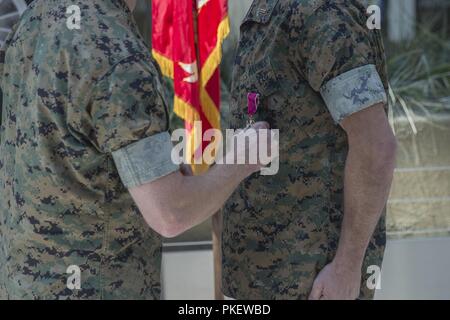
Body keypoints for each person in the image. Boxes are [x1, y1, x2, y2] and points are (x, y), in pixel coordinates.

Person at [0, 0, 269, 299]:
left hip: (23, 282)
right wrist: (241, 160)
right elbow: (170, 214)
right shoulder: (115, 52)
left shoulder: (38, 15)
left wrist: (153, 163)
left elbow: (64, 146)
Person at [222, 0, 397, 300]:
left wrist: (346, 266)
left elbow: (376, 148)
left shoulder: (321, 13)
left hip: (311, 280)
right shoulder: (272, 9)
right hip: (264, 275)